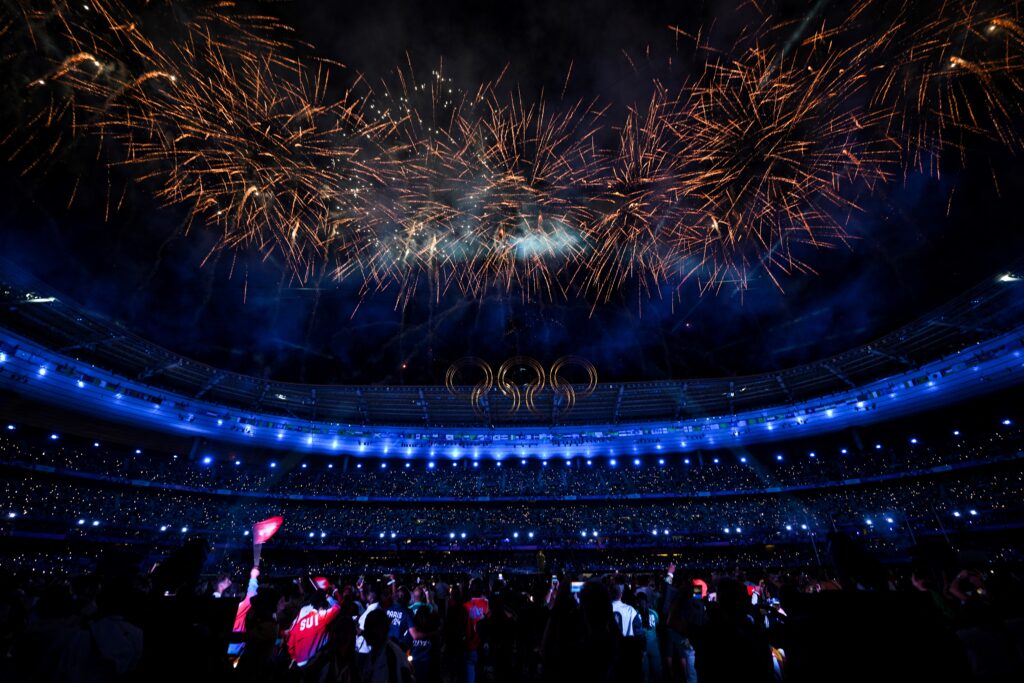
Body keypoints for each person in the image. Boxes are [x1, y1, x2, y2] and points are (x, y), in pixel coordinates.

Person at [286, 576, 343, 674]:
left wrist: (296, 657)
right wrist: (330, 596)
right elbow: (338, 607)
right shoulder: (323, 616)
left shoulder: (301, 617)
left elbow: (291, 638)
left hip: (300, 665)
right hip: (318, 665)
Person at [358, 608, 413, 683]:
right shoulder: (375, 652)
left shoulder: (391, 654)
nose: (366, 633)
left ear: (381, 630)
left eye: (369, 628)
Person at [464, 578, 490, 683]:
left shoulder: (465, 606)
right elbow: (489, 624)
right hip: (482, 645)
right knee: (481, 671)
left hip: (469, 645)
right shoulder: (487, 604)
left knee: (470, 674)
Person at [636, 591, 662, 683]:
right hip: (653, 644)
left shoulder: (635, 614)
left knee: (644, 674)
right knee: (657, 671)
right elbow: (657, 625)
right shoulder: (654, 613)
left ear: (637, 603)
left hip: (641, 646)